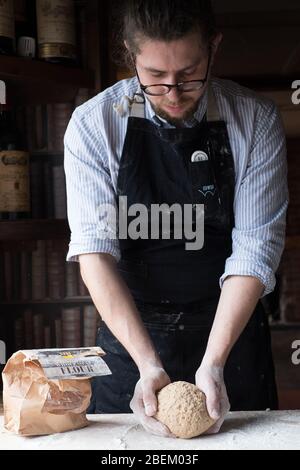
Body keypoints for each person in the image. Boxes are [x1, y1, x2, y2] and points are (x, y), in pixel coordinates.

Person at [64, 0, 288, 437]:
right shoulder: (95, 126)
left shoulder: (254, 121)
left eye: (188, 74)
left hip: (230, 335)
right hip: (132, 340)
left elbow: (255, 250)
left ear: (213, 49)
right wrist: (148, 364)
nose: (172, 92)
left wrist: (214, 360)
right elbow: (95, 253)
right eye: (154, 77)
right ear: (131, 56)